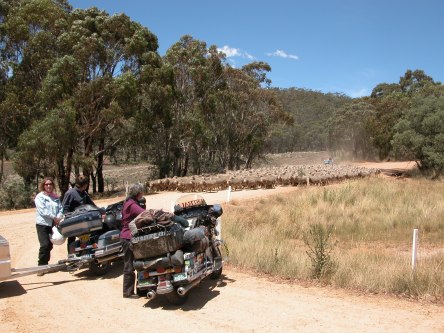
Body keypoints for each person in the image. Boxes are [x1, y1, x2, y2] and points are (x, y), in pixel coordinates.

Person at [120, 183, 146, 299]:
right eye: (142, 191)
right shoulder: (132, 205)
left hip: (127, 236)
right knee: (130, 265)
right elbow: (144, 214)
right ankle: (128, 292)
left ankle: (141, 289)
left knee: (137, 262)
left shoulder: (128, 202)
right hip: (128, 237)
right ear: (138, 193)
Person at [35, 177, 63, 275]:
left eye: (50, 184)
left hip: (52, 224)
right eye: (46, 184)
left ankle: (45, 264)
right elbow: (42, 210)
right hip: (42, 224)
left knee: (50, 245)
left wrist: (58, 217)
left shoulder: (55, 197)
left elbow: (60, 208)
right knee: (45, 244)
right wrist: (54, 217)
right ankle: (40, 267)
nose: (48, 186)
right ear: (43, 186)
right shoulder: (39, 197)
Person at [62, 175, 97, 253]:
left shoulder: (83, 193)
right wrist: (69, 218)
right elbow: (65, 208)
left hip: (83, 221)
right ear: (84, 185)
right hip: (72, 221)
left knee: (86, 236)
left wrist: (100, 210)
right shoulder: (70, 193)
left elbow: (91, 205)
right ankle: (71, 256)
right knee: (71, 239)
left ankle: (85, 253)